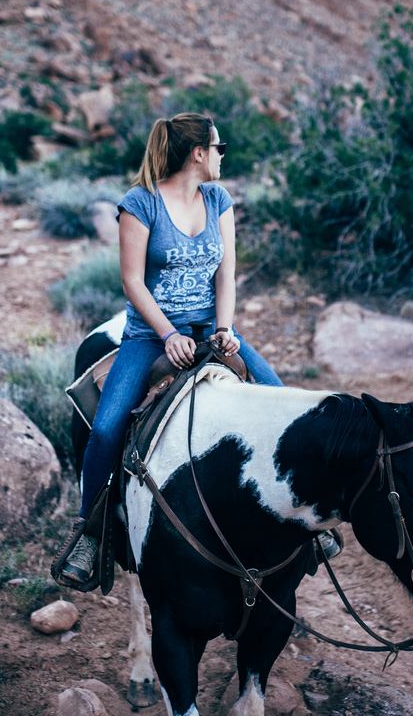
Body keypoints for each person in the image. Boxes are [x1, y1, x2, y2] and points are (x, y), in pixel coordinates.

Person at [55, 113, 285, 589]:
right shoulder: (140, 204)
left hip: (211, 329)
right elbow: (132, 282)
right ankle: (90, 532)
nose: (223, 157)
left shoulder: (218, 200)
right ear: (198, 153)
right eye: (219, 148)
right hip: (150, 335)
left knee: (280, 401)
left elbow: (226, 274)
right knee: (106, 429)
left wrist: (225, 329)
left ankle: (294, 520)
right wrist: (167, 335)